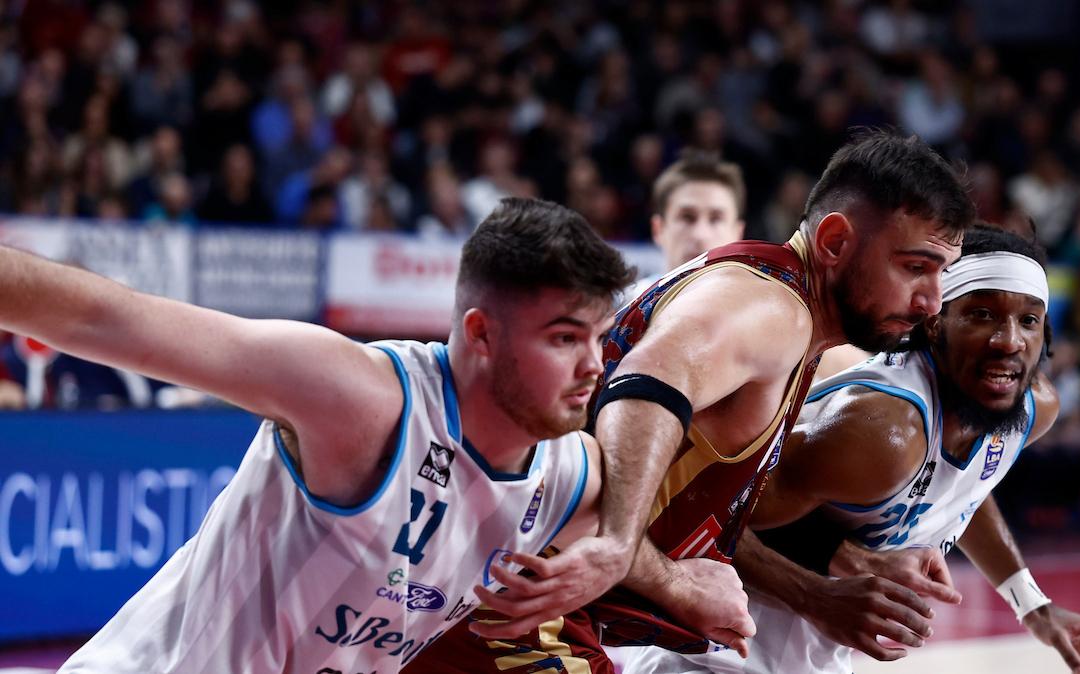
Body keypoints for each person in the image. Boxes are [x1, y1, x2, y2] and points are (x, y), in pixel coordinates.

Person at [409, 129, 976, 672]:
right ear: (833, 242)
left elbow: (685, 497)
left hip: (505, 579)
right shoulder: (775, 309)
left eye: (941, 274)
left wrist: (819, 584)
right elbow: (648, 383)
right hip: (516, 592)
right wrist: (626, 551)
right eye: (914, 267)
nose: (930, 301)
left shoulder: (769, 307)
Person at [1, 197, 635, 673]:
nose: (593, 365)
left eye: (598, 338)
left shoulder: (570, 472)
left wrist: (638, 563)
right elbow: (98, 317)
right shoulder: (361, 398)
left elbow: (625, 520)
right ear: (481, 335)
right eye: (563, 338)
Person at [620, 226, 1080, 673]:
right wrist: (823, 583)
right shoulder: (881, 432)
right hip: (708, 651)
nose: (1008, 341)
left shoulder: (1030, 407)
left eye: (1029, 321)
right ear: (935, 323)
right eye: (982, 315)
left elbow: (967, 483)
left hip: (813, 657)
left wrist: (1032, 604)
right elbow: (697, 505)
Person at [627, 151, 748, 299]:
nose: (700, 234)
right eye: (687, 218)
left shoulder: (764, 313)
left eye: (716, 219)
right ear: (658, 229)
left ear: (738, 234)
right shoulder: (623, 309)